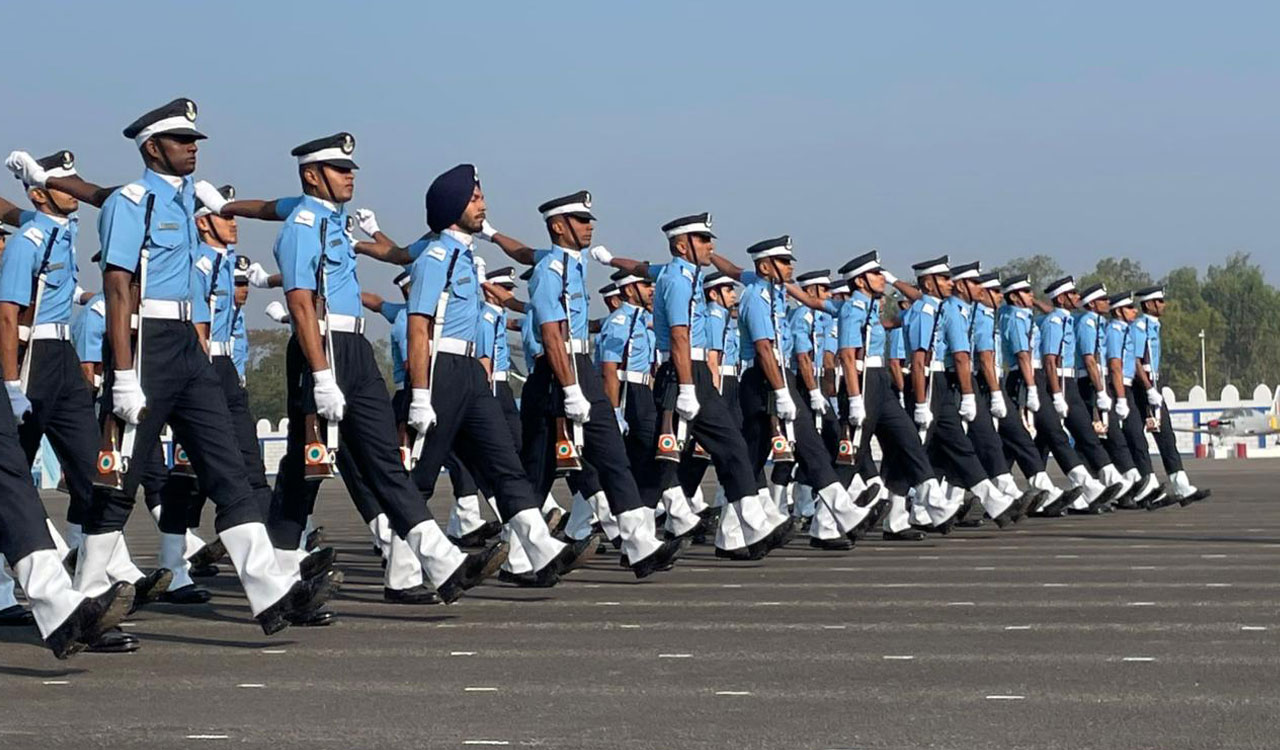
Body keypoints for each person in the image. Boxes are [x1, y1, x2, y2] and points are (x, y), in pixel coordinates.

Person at [24, 98, 341, 635]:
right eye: (182, 141)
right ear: (153, 148)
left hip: (191, 345)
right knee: (119, 478)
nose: (194, 148)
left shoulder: (188, 197)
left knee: (230, 470)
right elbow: (117, 285)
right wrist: (123, 375)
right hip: (146, 342)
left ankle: (269, 595)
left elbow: (276, 208)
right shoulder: (134, 201)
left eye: (194, 140)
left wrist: (65, 179)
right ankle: (86, 601)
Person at [212, 138, 503, 604]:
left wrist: (227, 204)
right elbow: (302, 304)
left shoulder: (327, 219)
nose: (351, 175)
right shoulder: (303, 228)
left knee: (384, 458)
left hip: (356, 347)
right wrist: (322, 376)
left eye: (350, 167)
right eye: (338, 168)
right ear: (312, 175)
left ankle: (439, 561)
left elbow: (268, 206)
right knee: (307, 467)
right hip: (322, 346)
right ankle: (283, 576)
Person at [488, 190, 684, 577]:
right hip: (556, 372)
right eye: (580, 220)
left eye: (589, 219)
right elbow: (550, 335)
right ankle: (519, 556)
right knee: (536, 471)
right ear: (559, 227)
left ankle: (638, 542)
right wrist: (572, 389)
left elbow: (523, 252)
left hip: (578, 366)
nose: (589, 225)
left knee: (612, 454)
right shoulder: (549, 271)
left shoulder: (567, 263)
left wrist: (492, 234)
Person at [723, 235, 868, 551]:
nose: (790, 267)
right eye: (784, 261)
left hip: (774, 377)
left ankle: (729, 534)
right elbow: (764, 348)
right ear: (766, 265)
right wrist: (782, 391)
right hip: (765, 378)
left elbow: (735, 271)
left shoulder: (771, 292)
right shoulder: (756, 297)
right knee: (806, 448)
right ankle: (844, 512)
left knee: (753, 457)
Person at [904, 256, 1020, 530]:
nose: (949, 283)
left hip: (940, 383)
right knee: (913, 449)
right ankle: (906, 510)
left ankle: (993, 501)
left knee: (959, 445)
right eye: (943, 279)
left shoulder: (940, 309)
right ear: (929, 283)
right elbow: (920, 361)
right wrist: (922, 402)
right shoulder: (926, 310)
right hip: (929, 383)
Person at [836, 251, 939, 542]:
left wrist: (892, 280)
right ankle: (824, 521)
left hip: (879, 382)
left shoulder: (870, 306)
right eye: (877, 274)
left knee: (907, 439)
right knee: (852, 456)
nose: (883, 278)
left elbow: (920, 300)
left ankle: (915, 509)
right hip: (863, 382)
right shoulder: (853, 308)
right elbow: (846, 355)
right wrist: (855, 399)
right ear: (860, 280)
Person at [999, 274, 1110, 514]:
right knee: (1041, 434)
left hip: (1033, 377)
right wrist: (1031, 389)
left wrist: (1040, 302)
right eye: (1027, 292)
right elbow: (1023, 356)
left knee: (1022, 440)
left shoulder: (1028, 315)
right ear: (1015, 296)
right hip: (1024, 378)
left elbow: (1052, 311)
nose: (1032, 296)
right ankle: (1077, 485)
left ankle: (1018, 493)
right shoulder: (1017, 317)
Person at [1039, 276, 1127, 512]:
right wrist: (1057, 394)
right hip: (1060, 383)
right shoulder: (1057, 323)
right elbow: (1050, 361)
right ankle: (1086, 488)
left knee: (1079, 435)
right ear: (1062, 298)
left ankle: (1102, 485)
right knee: (1047, 441)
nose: (1077, 296)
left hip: (1069, 383)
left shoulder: (1067, 320)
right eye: (1072, 293)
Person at [1131, 285, 1210, 505]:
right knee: (1137, 439)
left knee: (1166, 436)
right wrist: (1148, 389)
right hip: (1141, 386)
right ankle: (1146, 487)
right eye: (1159, 302)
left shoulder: (1154, 326)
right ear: (1148, 304)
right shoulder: (1140, 327)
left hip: (1154, 383)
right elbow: (1136, 362)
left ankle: (1181, 485)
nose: (1163, 305)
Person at [1105, 291, 1169, 509]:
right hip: (1117, 390)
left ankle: (1143, 486)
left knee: (1132, 439)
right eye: (1130, 308)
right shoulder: (1114, 330)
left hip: (1126, 388)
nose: (1134, 311)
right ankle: (1132, 487)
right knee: (1120, 440)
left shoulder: (1124, 330)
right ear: (1119, 311)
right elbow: (1115, 366)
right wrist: (1121, 398)